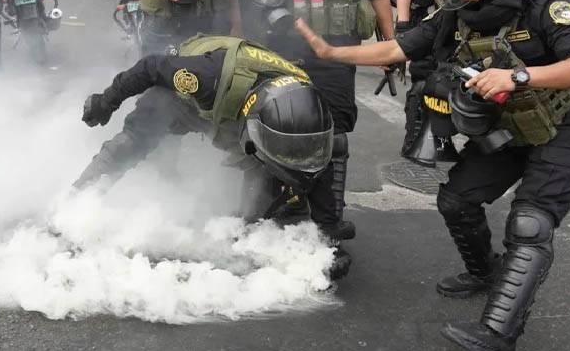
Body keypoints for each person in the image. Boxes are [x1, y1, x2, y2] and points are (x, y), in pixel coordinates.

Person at [294, 0, 570, 351]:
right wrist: (331, 52)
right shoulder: (458, 11)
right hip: (509, 129)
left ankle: (498, 335)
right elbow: (401, 46)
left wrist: (517, 77)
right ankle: (485, 272)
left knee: (531, 224)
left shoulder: (546, 4)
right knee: (456, 200)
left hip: (560, 129)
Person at [221, 0, 394, 260]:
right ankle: (259, 212)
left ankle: (327, 222)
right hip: (284, 54)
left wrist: (393, 47)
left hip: (338, 55)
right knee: (272, 127)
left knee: (333, 139)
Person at [73, 34, 357, 276]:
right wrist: (106, 102)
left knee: (258, 207)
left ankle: (255, 219)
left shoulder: (306, 101)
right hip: (184, 99)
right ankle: (77, 201)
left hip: (241, 113)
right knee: (135, 139)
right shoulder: (203, 79)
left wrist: (328, 236)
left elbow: (317, 163)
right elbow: (149, 67)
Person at [395, 0, 497, 166]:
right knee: (422, 81)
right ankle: (417, 139)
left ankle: (443, 137)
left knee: (449, 78)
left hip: (453, 25)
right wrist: (404, 26)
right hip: (427, 23)